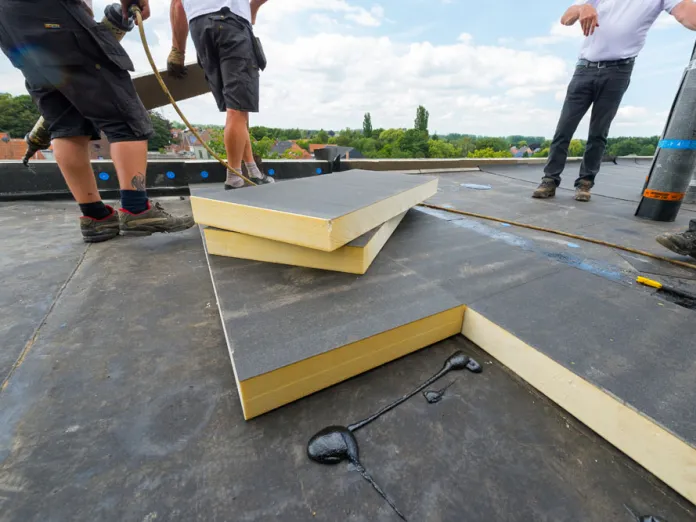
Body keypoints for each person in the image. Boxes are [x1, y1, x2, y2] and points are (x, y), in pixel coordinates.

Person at [0, 0, 195, 243]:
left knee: (65, 122)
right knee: (124, 116)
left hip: (11, 25)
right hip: (55, 14)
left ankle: (96, 217)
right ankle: (137, 210)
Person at [533, 0, 696, 202]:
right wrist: (582, 7)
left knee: (598, 132)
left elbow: (686, 13)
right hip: (584, 69)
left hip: (618, 71)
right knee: (564, 129)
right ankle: (549, 180)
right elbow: (566, 18)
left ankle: (585, 183)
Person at [168, 0, 273, 190]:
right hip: (231, 22)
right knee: (238, 108)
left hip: (199, 28)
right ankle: (234, 177)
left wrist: (178, 51)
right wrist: (252, 10)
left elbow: (177, 4)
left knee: (237, 109)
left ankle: (253, 171)